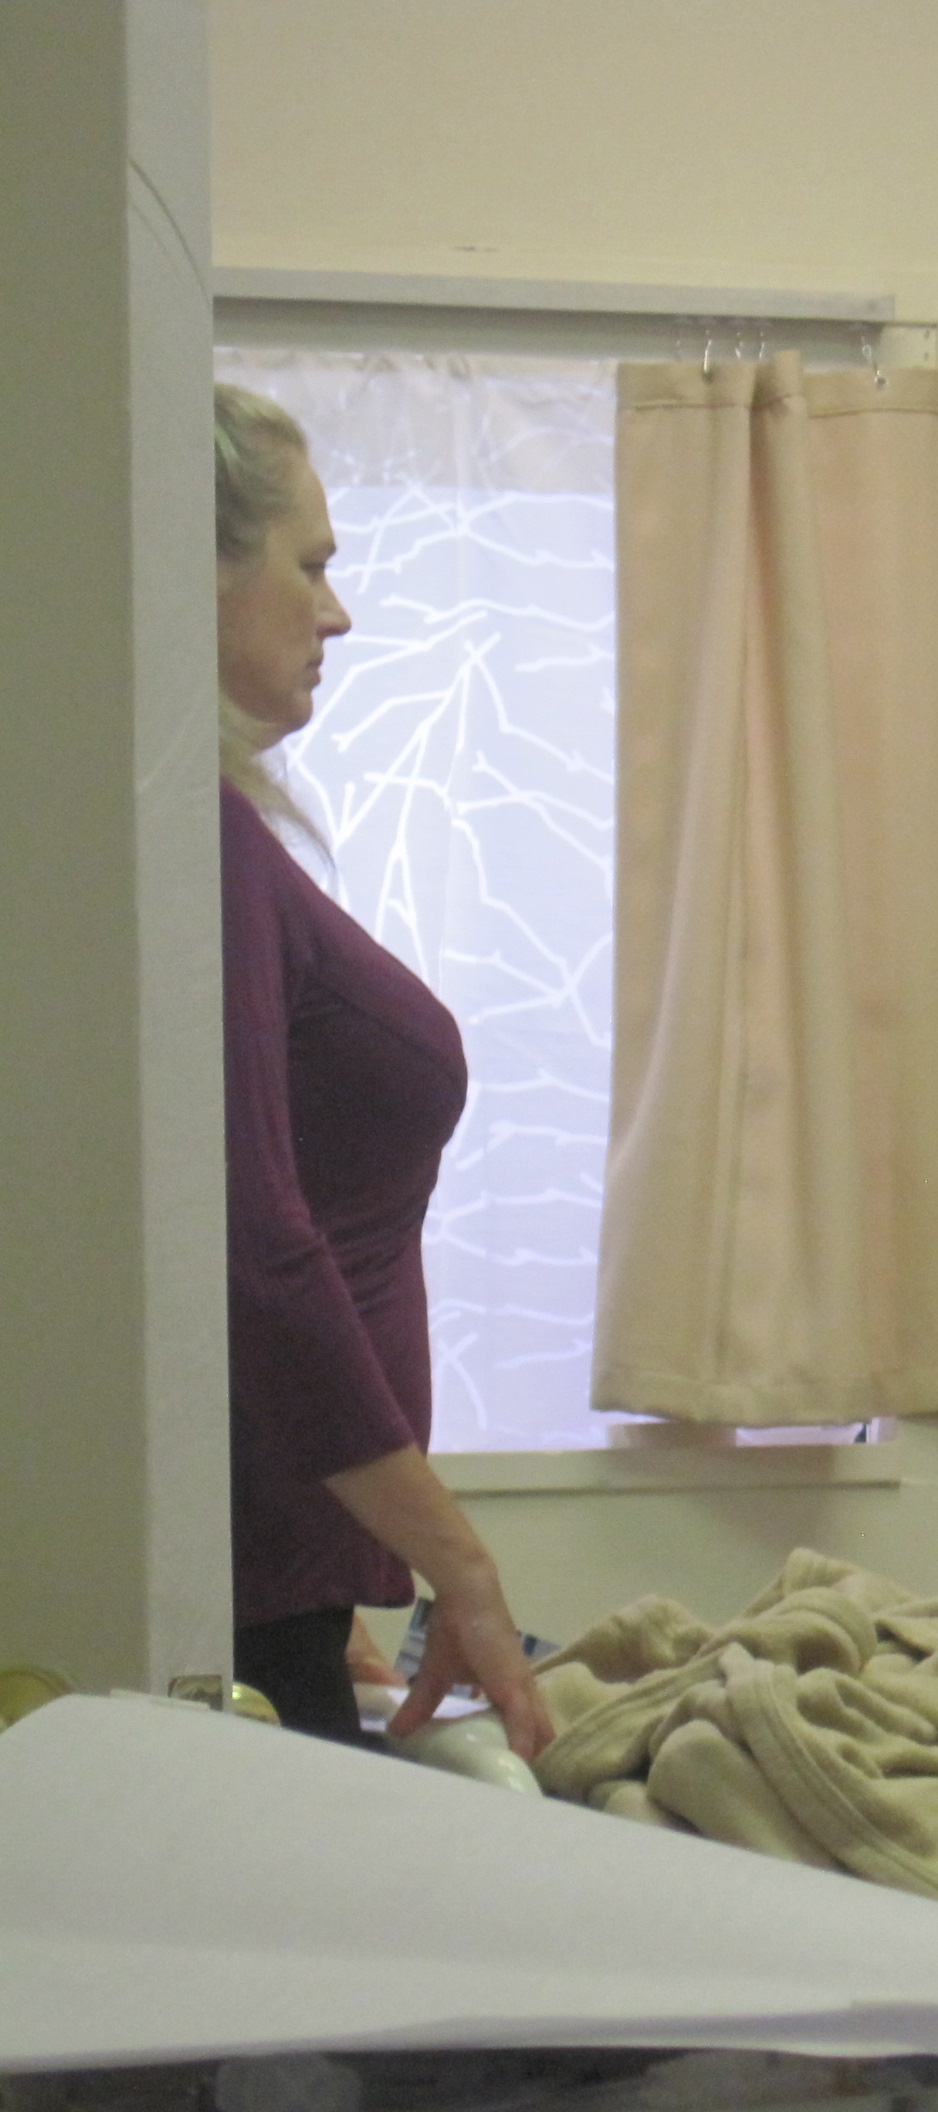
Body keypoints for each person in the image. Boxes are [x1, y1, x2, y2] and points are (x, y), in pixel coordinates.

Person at [214, 384, 550, 1760]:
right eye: (314, 564)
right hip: (247, 1595)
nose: (337, 613)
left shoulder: (221, 839)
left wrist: (346, 1567)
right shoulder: (199, 845)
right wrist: (457, 1564)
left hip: (284, 1582)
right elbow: (254, 1238)